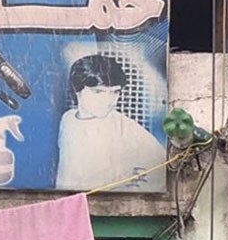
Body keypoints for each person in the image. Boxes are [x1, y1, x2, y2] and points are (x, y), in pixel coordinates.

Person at [54, 53, 160, 191]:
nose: (109, 101)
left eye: (115, 92)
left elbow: (160, 165)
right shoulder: (67, 119)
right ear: (77, 90)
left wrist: (127, 191)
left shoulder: (122, 124)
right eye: (98, 92)